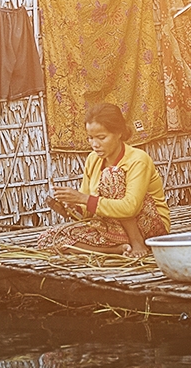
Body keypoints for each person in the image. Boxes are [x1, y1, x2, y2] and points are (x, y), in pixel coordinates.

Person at [37, 103, 170, 257]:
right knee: (47, 240)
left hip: (149, 226)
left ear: (119, 133)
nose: (94, 144)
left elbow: (130, 207)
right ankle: (117, 249)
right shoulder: (92, 160)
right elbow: (88, 211)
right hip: (111, 226)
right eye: (90, 138)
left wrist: (83, 198)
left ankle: (137, 242)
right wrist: (73, 206)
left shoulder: (138, 160)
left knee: (111, 176)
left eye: (101, 138)